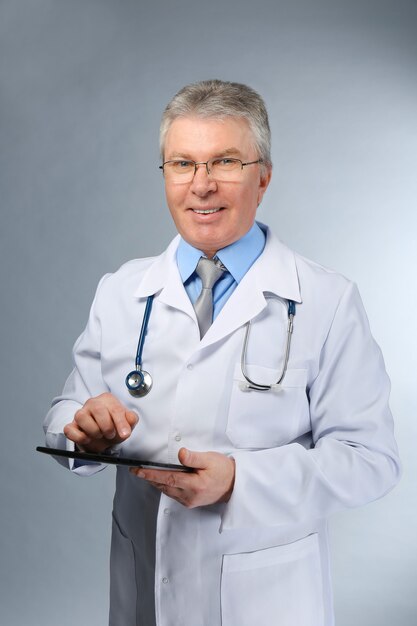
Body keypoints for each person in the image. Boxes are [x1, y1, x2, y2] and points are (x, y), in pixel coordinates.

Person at [44, 79, 401, 626]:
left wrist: (239, 480)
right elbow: (65, 414)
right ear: (164, 175)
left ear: (263, 177)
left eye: (225, 162)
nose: (201, 185)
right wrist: (80, 428)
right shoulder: (121, 290)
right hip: (146, 590)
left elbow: (371, 460)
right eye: (182, 163)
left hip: (267, 599)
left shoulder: (326, 300)